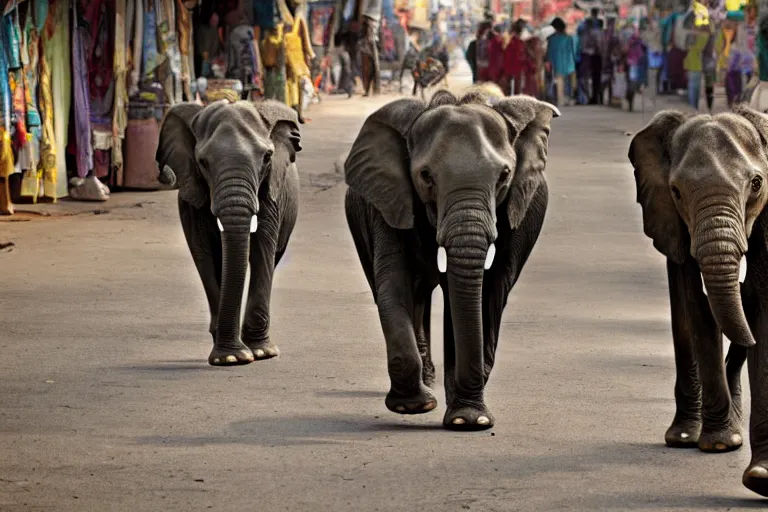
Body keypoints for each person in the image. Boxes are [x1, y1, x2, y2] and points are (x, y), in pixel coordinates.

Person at [546, 17, 576, 107]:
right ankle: (570, 99)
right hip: (569, 63)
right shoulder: (568, 38)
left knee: (559, 83)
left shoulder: (551, 39)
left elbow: (549, 53)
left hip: (557, 64)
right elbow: (572, 51)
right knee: (569, 83)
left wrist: (549, 62)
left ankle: (560, 100)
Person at [684, 23, 712, 110]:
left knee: (694, 87)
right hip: (693, 63)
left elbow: (697, 48)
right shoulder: (691, 36)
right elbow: (687, 47)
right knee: (693, 87)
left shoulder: (703, 36)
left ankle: (694, 107)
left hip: (696, 64)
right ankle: (693, 107)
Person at [503, 19, 526, 95]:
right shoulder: (520, 42)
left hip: (509, 66)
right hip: (517, 67)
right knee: (517, 88)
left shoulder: (510, 40)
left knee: (508, 88)